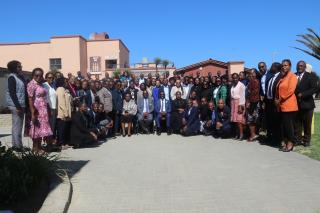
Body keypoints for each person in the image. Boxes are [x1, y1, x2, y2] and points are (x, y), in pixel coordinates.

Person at [27, 68, 53, 153]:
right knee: (36, 128)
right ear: (33, 75)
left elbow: (46, 97)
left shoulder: (41, 84)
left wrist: (48, 109)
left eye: (40, 75)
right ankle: (35, 148)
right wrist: (32, 112)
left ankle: (39, 147)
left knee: (42, 128)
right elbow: (30, 99)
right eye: (36, 75)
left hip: (44, 109)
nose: (38, 77)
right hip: (36, 109)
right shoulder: (31, 84)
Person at [275, 59, 298, 152]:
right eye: (283, 65)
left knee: (289, 126)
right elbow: (278, 90)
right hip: (281, 105)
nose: (284, 67)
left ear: (290, 66)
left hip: (289, 105)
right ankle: (286, 141)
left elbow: (290, 91)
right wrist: (276, 100)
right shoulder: (282, 77)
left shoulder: (292, 77)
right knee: (284, 126)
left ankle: (291, 143)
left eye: (286, 65)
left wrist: (280, 99)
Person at [294, 60, 317, 147]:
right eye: (298, 65)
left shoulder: (311, 76)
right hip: (296, 105)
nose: (299, 67)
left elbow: (314, 89)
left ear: (304, 67)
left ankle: (307, 141)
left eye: (301, 66)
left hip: (307, 104)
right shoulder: (293, 75)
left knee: (307, 124)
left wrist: (303, 94)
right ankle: (298, 140)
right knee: (297, 123)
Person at [6, 60, 27, 151]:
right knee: (18, 125)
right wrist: (18, 106)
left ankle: (16, 145)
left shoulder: (20, 77)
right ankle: (18, 146)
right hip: (16, 105)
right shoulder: (12, 78)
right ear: (14, 68)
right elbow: (12, 93)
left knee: (16, 125)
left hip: (20, 104)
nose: (21, 67)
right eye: (19, 66)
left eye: (21, 66)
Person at [265, 62, 282, 146]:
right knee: (270, 121)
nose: (270, 67)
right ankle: (270, 137)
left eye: (272, 66)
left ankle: (276, 139)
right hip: (268, 102)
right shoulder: (271, 77)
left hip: (275, 103)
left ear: (276, 67)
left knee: (276, 122)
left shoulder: (280, 77)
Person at [56, 77, 72, 148]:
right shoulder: (60, 89)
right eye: (65, 81)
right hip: (62, 113)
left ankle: (65, 143)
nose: (66, 83)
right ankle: (61, 144)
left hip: (66, 113)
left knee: (65, 129)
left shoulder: (65, 90)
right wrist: (66, 113)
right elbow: (61, 103)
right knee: (61, 129)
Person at [230, 73, 246, 140]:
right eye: (233, 78)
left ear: (238, 78)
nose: (235, 79)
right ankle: (237, 134)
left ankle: (241, 135)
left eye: (236, 77)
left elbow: (242, 95)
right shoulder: (233, 85)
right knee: (235, 121)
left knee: (239, 120)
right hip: (233, 103)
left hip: (239, 102)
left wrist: (240, 105)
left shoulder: (241, 85)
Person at [246, 70, 260, 141]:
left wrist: (249, 102)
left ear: (256, 74)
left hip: (253, 103)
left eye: (252, 73)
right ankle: (253, 134)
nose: (251, 75)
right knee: (252, 120)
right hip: (251, 102)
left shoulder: (255, 81)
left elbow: (254, 92)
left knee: (251, 120)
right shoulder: (250, 82)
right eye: (250, 73)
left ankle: (253, 135)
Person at [43, 72, 57, 142]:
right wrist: (49, 109)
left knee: (53, 126)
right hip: (49, 108)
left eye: (52, 78)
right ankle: (48, 142)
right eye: (49, 77)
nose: (51, 79)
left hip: (54, 108)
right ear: (46, 78)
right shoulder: (45, 85)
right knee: (49, 126)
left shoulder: (52, 86)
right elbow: (45, 98)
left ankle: (51, 142)